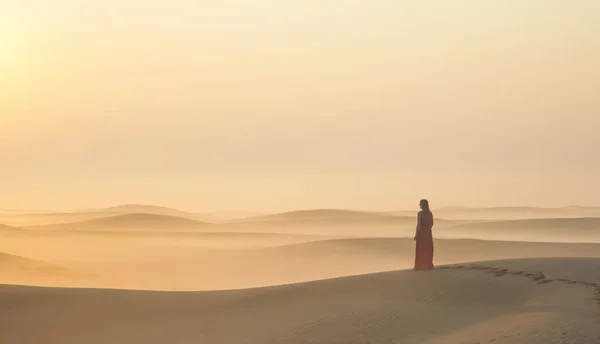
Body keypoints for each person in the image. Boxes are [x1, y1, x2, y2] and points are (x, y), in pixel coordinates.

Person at [413, 199, 434, 271]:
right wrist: (427, 229)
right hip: (428, 232)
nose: (419, 205)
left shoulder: (420, 213)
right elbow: (431, 224)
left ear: (422, 205)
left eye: (420, 204)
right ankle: (428, 264)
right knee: (428, 248)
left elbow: (418, 225)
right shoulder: (430, 213)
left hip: (422, 233)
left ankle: (419, 265)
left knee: (420, 249)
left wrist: (416, 234)